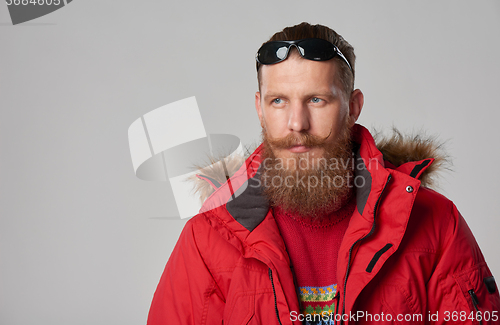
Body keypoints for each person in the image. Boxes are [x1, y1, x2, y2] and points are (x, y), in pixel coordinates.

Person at [147, 22, 500, 324]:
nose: (296, 123)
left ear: (353, 107)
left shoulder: (436, 224)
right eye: (278, 101)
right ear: (259, 108)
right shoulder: (210, 237)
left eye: (317, 100)